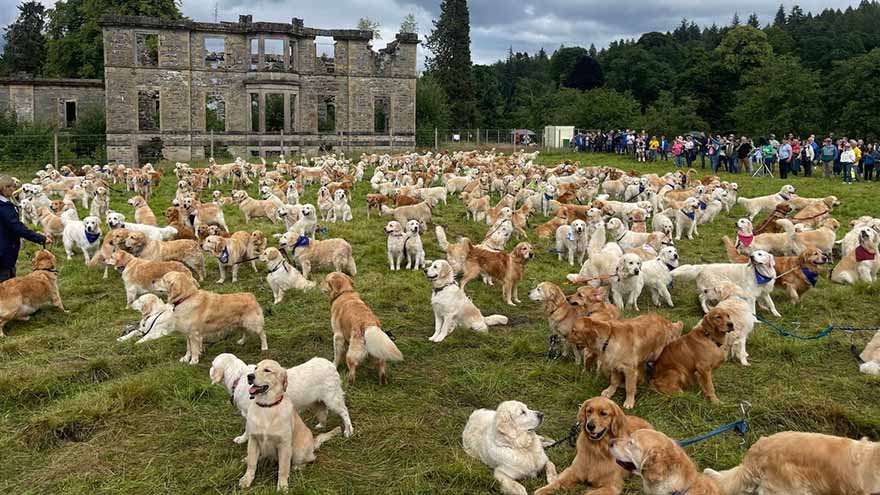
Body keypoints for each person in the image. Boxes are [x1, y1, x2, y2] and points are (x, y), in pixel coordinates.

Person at [0, 175, 52, 282]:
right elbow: (17, 227)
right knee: (6, 285)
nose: (13, 189)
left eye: (14, 186)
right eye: (10, 187)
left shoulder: (7, 202)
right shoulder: (4, 207)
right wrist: (41, 238)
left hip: (6, 248)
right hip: (3, 252)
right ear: (3, 188)